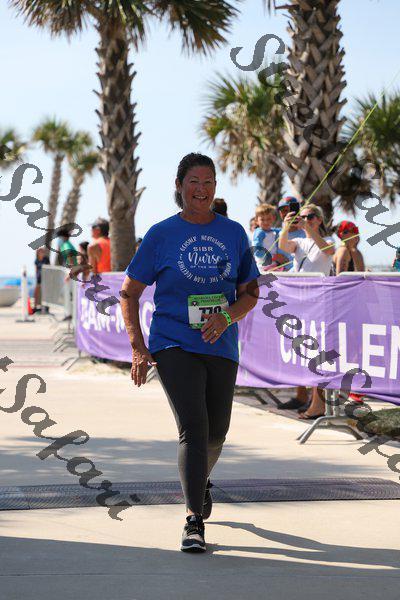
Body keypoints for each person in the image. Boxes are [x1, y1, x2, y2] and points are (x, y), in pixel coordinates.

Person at [120, 152, 259, 553]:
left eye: (209, 182)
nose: (202, 189)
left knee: (217, 432)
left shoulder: (233, 233)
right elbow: (129, 292)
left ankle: (200, 479)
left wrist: (226, 317)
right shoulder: (161, 234)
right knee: (194, 428)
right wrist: (138, 347)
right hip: (173, 342)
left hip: (220, 343)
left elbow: (251, 292)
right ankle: (193, 520)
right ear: (179, 187)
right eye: (194, 182)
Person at [278, 204, 335, 418]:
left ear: (319, 219)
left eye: (310, 216)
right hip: (300, 303)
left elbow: (328, 251)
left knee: (317, 353)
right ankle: (309, 400)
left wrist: (307, 228)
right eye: (302, 217)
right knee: (303, 352)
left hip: (319, 303)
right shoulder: (299, 242)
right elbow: (283, 245)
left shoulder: (328, 240)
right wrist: (286, 226)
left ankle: (318, 404)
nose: (305, 219)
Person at [252, 203, 286, 273]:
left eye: (268, 219)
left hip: (274, 266)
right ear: (256, 220)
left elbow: (283, 230)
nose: (266, 222)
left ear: (273, 218)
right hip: (264, 268)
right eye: (262, 219)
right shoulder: (259, 233)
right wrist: (274, 257)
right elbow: (257, 251)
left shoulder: (274, 231)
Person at [276, 196, 306, 271]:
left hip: (300, 275)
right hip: (279, 276)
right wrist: (274, 257)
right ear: (280, 213)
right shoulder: (274, 234)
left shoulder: (307, 234)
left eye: (291, 210)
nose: (287, 213)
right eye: (283, 211)